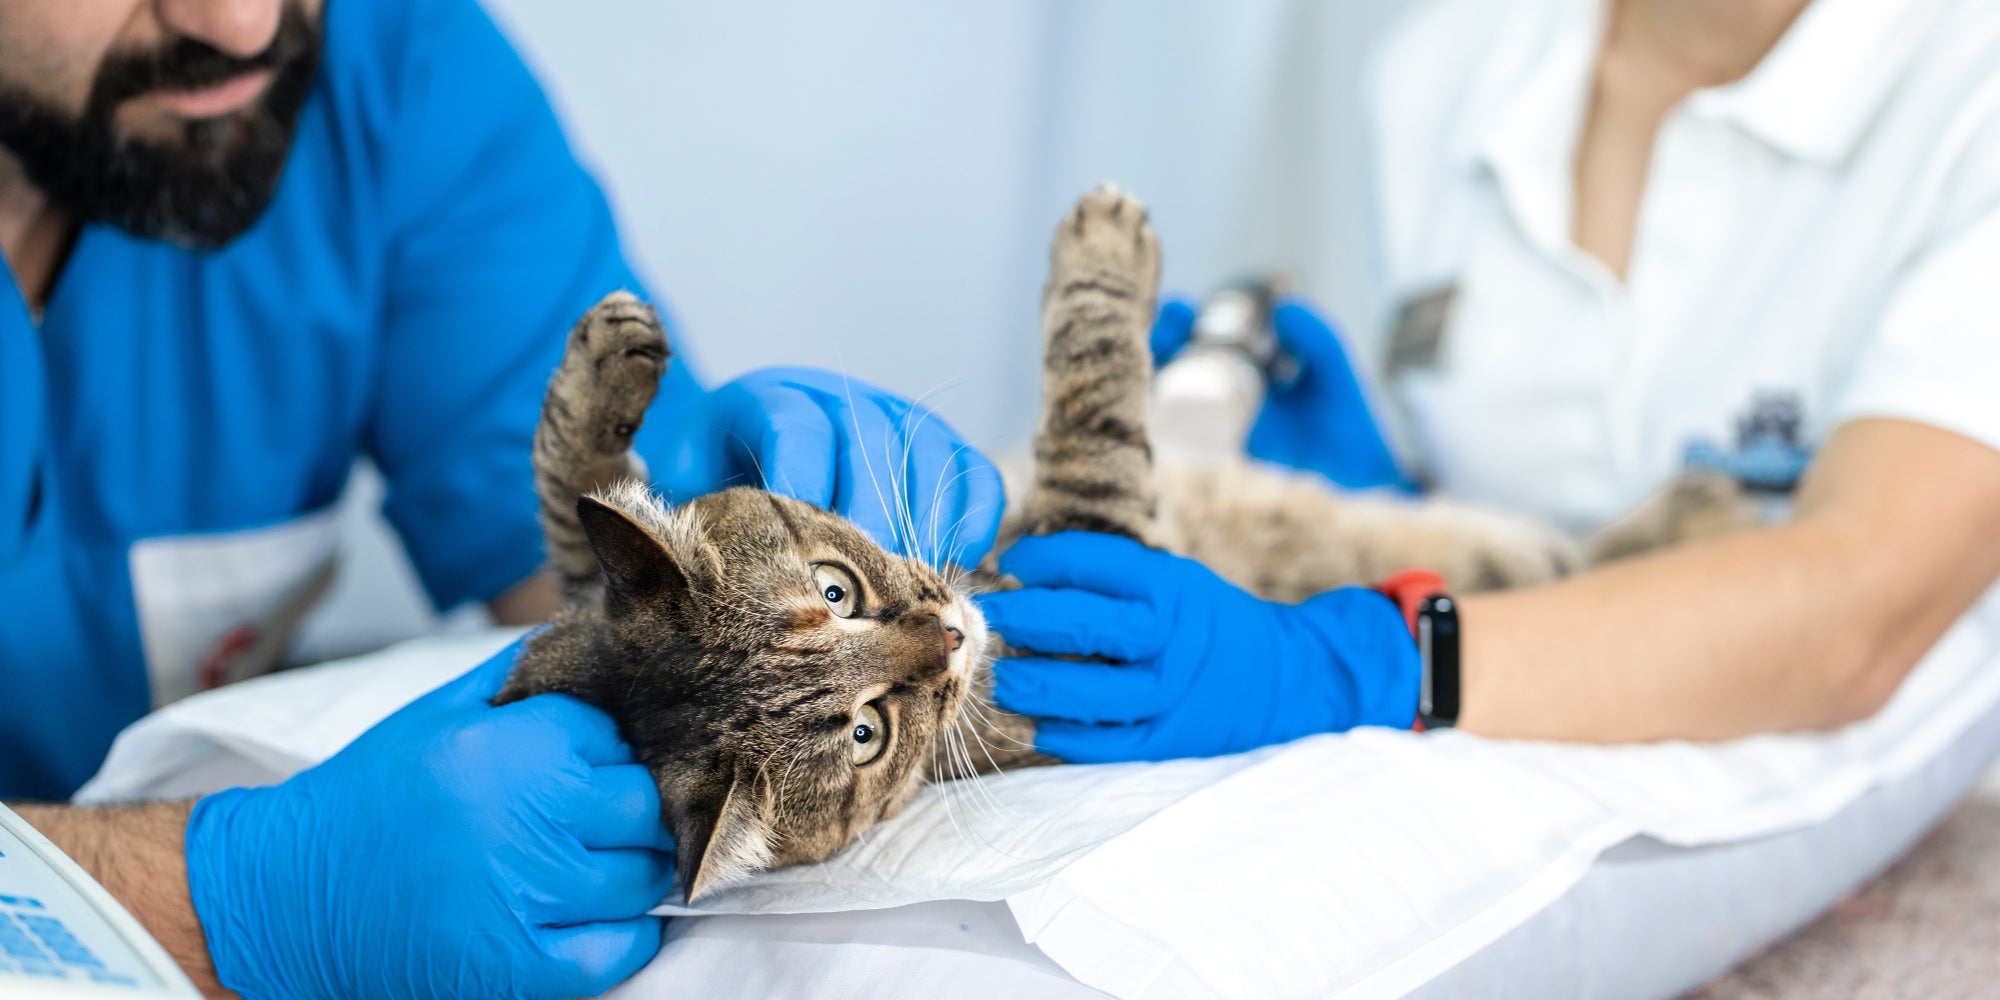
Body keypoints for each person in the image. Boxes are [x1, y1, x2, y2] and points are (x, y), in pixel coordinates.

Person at [0, 0, 999, 995]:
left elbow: (613, 582)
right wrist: (216, 900)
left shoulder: (390, 74)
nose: (246, 25)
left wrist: (747, 538)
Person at [982, 0, 2000, 760]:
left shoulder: (1967, 90)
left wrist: (1357, 660)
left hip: (1852, 793)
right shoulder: (1443, 69)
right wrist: (1377, 497)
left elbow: (1860, 610)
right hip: (1485, 741)